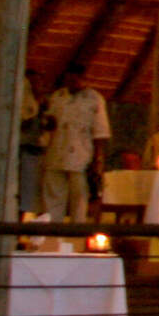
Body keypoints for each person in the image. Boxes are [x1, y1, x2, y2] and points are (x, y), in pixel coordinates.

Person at [41, 68, 110, 223]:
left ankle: (76, 235)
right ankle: (52, 235)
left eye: (75, 80)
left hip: (81, 157)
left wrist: (98, 160)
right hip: (56, 153)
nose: (72, 83)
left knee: (79, 199)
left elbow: (100, 132)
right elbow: (49, 124)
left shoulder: (94, 99)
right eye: (69, 80)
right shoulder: (58, 97)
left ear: (83, 78)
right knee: (53, 197)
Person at [15, 73, 47, 220]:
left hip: (37, 153)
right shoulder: (24, 104)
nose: (36, 86)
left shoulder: (45, 103)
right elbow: (23, 125)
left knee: (32, 193)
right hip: (23, 150)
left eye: (38, 83)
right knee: (19, 191)